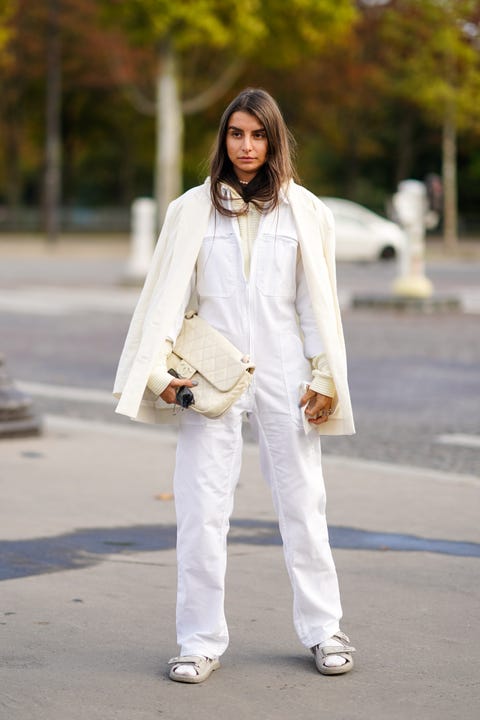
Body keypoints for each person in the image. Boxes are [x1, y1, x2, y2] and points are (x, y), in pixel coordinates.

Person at [113, 88, 356, 683]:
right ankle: (198, 641)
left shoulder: (307, 212)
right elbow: (168, 300)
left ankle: (325, 630)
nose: (246, 146)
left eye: (258, 135)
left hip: (287, 376)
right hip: (211, 377)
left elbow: (314, 306)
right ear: (223, 139)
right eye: (235, 134)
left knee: (304, 505)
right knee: (200, 509)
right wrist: (162, 376)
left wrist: (324, 375)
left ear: (274, 141)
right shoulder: (189, 210)